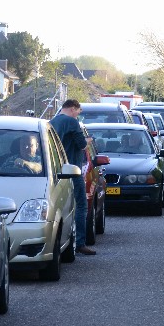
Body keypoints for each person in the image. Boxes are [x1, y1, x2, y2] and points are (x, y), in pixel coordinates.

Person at [50, 99, 95, 255]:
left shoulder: (52, 122)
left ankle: (64, 242)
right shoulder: (71, 122)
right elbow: (82, 145)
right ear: (73, 109)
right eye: (78, 112)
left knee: (61, 209)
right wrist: (88, 141)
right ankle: (80, 242)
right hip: (72, 169)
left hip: (56, 170)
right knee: (81, 206)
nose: (78, 115)